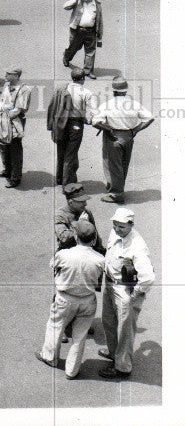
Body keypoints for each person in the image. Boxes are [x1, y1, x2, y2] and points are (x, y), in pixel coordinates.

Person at [36, 220, 106, 377]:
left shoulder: (63, 255)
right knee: (79, 336)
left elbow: (53, 265)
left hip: (65, 298)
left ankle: (49, 357)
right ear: (94, 239)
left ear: (76, 236)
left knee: (55, 325)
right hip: (88, 300)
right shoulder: (100, 259)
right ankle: (72, 370)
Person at [98, 207, 155, 377]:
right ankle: (114, 352)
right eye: (115, 225)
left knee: (125, 329)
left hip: (125, 289)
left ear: (131, 225)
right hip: (109, 283)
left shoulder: (138, 247)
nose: (117, 229)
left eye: (121, 227)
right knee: (108, 321)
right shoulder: (115, 233)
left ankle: (122, 366)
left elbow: (148, 278)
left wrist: (135, 294)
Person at [91, 77, 154, 203]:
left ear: (113, 91)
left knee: (112, 165)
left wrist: (107, 129)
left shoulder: (107, 104)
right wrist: (135, 130)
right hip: (128, 136)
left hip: (113, 136)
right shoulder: (134, 104)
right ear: (125, 91)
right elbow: (149, 118)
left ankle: (116, 194)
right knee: (123, 164)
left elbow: (95, 122)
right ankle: (116, 187)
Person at [47, 68, 96, 185]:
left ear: (72, 78)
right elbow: (94, 111)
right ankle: (68, 183)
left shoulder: (62, 88)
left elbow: (52, 106)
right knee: (71, 154)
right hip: (76, 124)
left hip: (60, 123)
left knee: (61, 151)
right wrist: (89, 120)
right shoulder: (86, 93)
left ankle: (59, 178)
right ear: (83, 79)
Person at [0, 67, 33, 188]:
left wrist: (4, 117)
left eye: (8, 74)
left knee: (15, 148)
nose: (5, 75)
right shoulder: (7, 86)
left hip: (15, 121)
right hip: (3, 118)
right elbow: (2, 102)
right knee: (3, 145)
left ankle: (15, 177)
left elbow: (19, 109)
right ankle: (7, 170)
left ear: (16, 76)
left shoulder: (24, 89)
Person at [62, 0, 103, 76]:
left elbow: (100, 21)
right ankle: (66, 57)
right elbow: (65, 6)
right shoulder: (78, 2)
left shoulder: (97, 5)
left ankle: (88, 71)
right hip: (77, 30)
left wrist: (99, 37)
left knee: (90, 52)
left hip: (91, 31)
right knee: (73, 47)